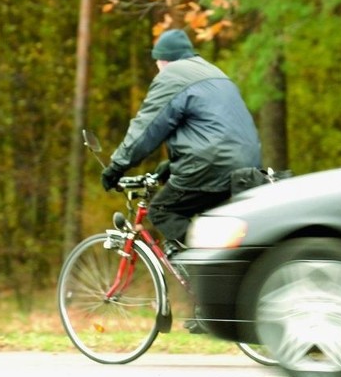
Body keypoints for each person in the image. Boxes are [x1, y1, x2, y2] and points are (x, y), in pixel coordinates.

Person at [101, 29, 262, 255]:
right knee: (214, 222)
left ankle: (203, 261)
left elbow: (148, 126)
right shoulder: (214, 72)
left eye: (156, 61)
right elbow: (208, 127)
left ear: (163, 60)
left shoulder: (173, 75)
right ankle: (218, 269)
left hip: (212, 163)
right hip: (246, 166)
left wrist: (118, 165)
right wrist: (173, 165)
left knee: (162, 210)